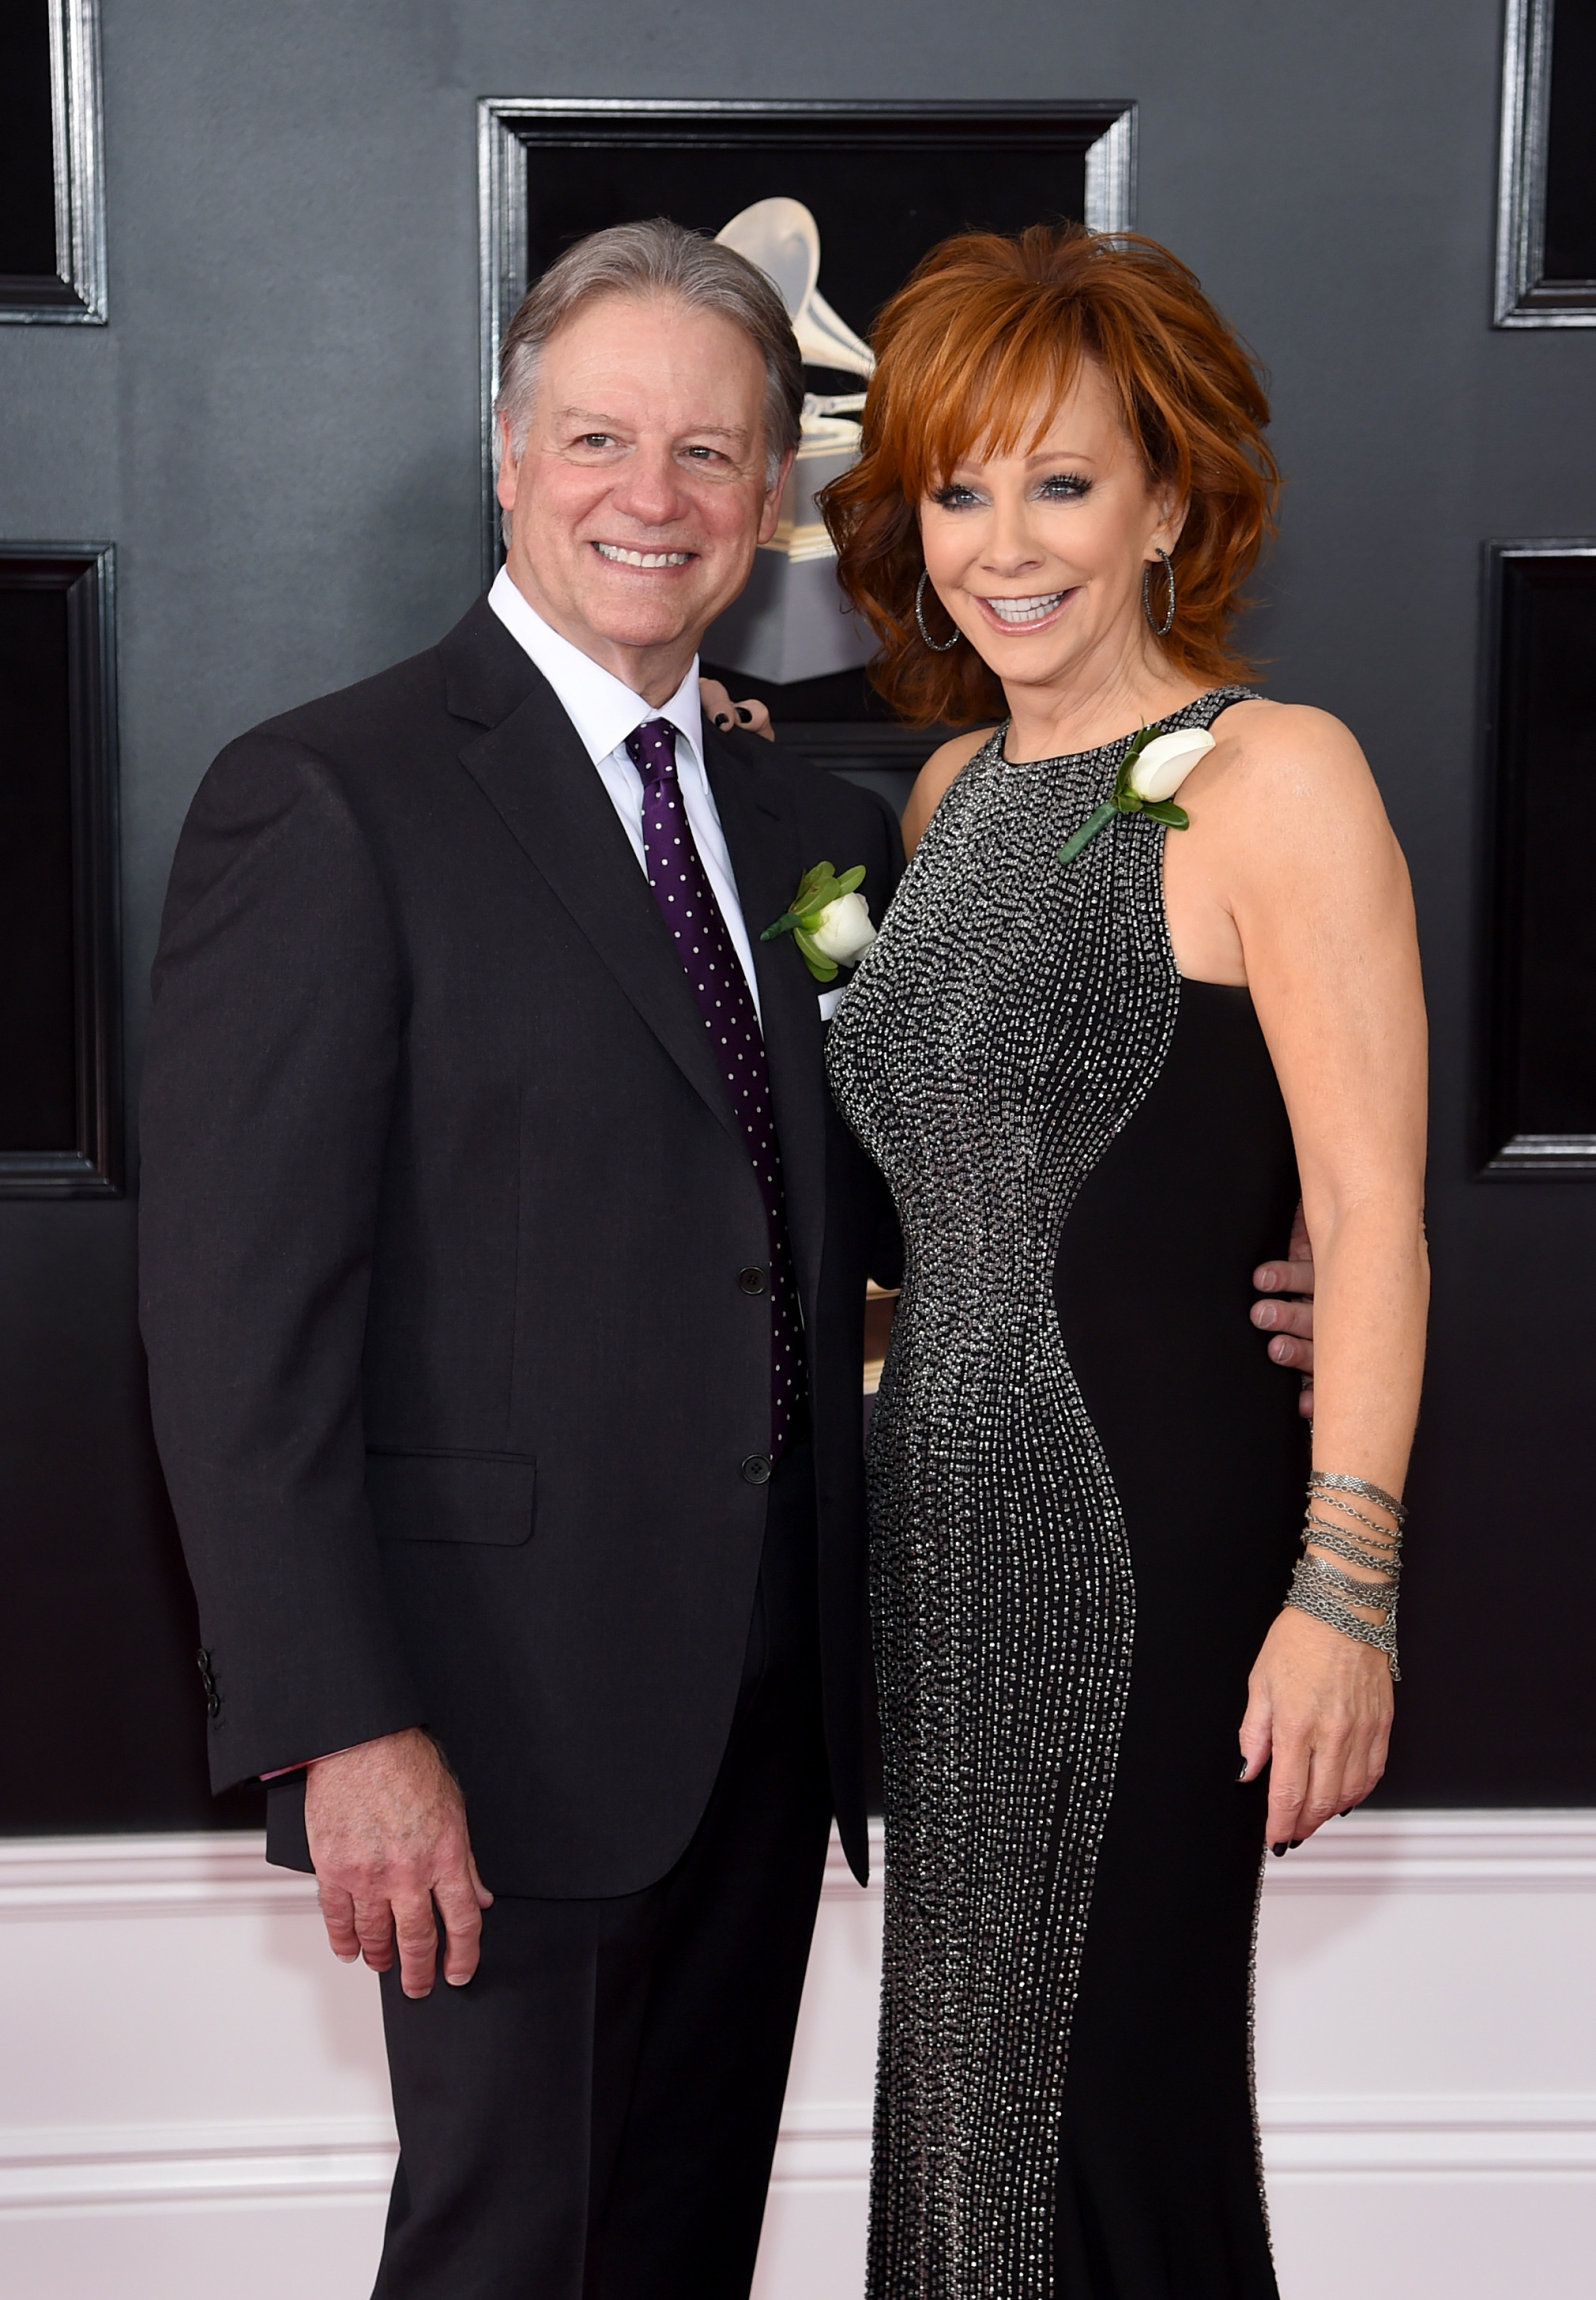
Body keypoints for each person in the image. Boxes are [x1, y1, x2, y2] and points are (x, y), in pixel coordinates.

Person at [138, 219, 905, 2300]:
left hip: (763, 1712)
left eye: (709, 454)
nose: (649, 496)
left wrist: (1243, 1250)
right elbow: (238, 1325)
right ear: (505, 455)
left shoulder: (797, 827)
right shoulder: (326, 800)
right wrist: (338, 1723)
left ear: (768, 500)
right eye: (598, 438)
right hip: (485, 1721)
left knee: (675, 2259)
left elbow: (893, 1180)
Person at [821, 225, 1428, 2298]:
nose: (1005, 539)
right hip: (940, 1541)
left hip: (1154, 1542)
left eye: (1060, 480)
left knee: (1116, 2092)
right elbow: (954, 1197)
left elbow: (1363, 1216)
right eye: (959, 486)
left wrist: (1343, 1590)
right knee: (967, 2085)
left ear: (1171, 497)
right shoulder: (950, 793)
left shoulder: (1280, 777)